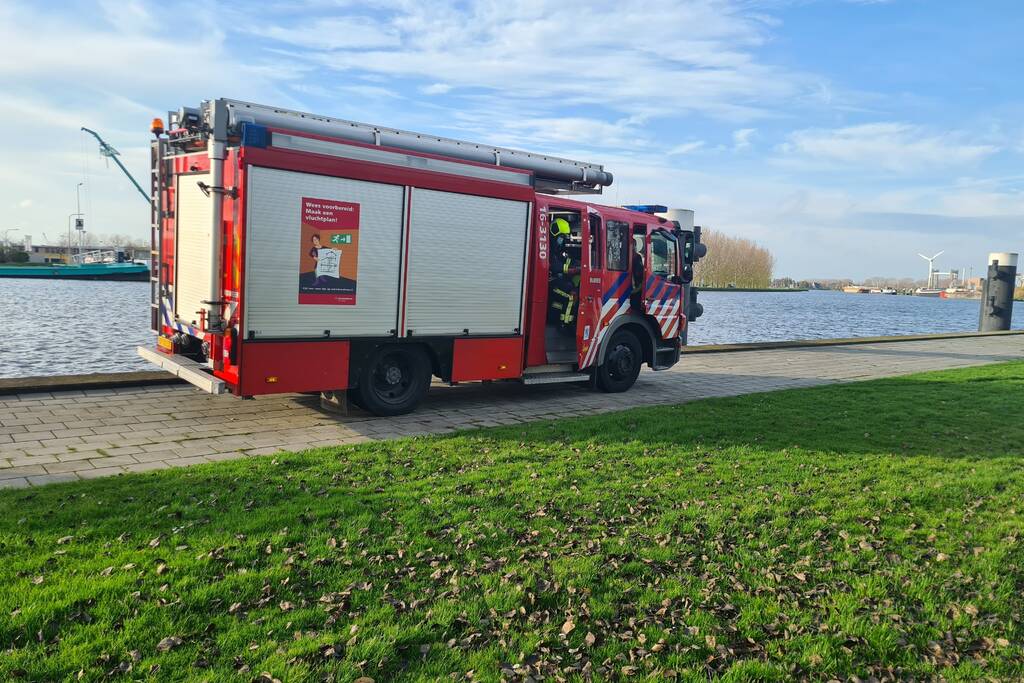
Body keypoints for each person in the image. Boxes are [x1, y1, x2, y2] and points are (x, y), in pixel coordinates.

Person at [548, 217, 580, 331]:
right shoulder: (548, 248)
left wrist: (576, 264)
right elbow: (556, 266)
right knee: (571, 296)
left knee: (572, 288)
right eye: (561, 237)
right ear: (555, 233)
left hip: (555, 281)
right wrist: (574, 270)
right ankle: (565, 325)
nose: (562, 240)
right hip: (549, 283)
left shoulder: (558, 249)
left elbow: (564, 260)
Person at [630, 237, 645, 310]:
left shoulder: (637, 257)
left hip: (636, 288)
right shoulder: (636, 257)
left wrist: (636, 290)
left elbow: (640, 275)